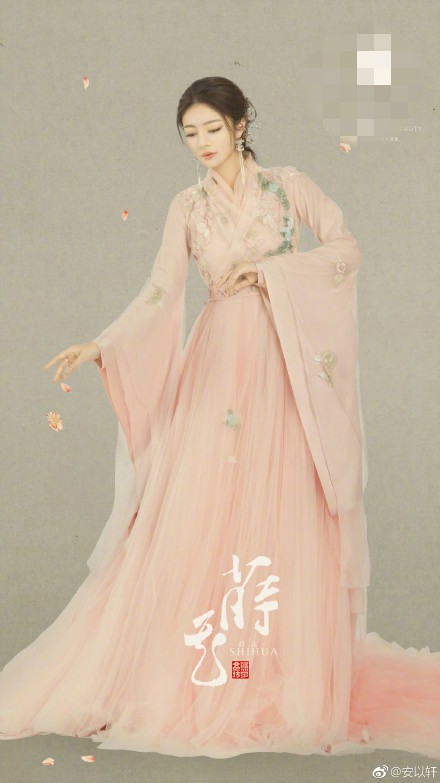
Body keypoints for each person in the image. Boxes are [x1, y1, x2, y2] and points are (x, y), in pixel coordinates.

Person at [1, 76, 439, 760]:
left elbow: (345, 248)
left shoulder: (289, 187)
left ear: (240, 125)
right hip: (217, 367)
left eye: (212, 127)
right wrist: (103, 344)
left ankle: (276, 679)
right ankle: (207, 675)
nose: (202, 142)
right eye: (190, 133)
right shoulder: (187, 207)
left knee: (283, 508)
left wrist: (272, 274)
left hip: (282, 365)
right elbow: (161, 289)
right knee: (202, 511)